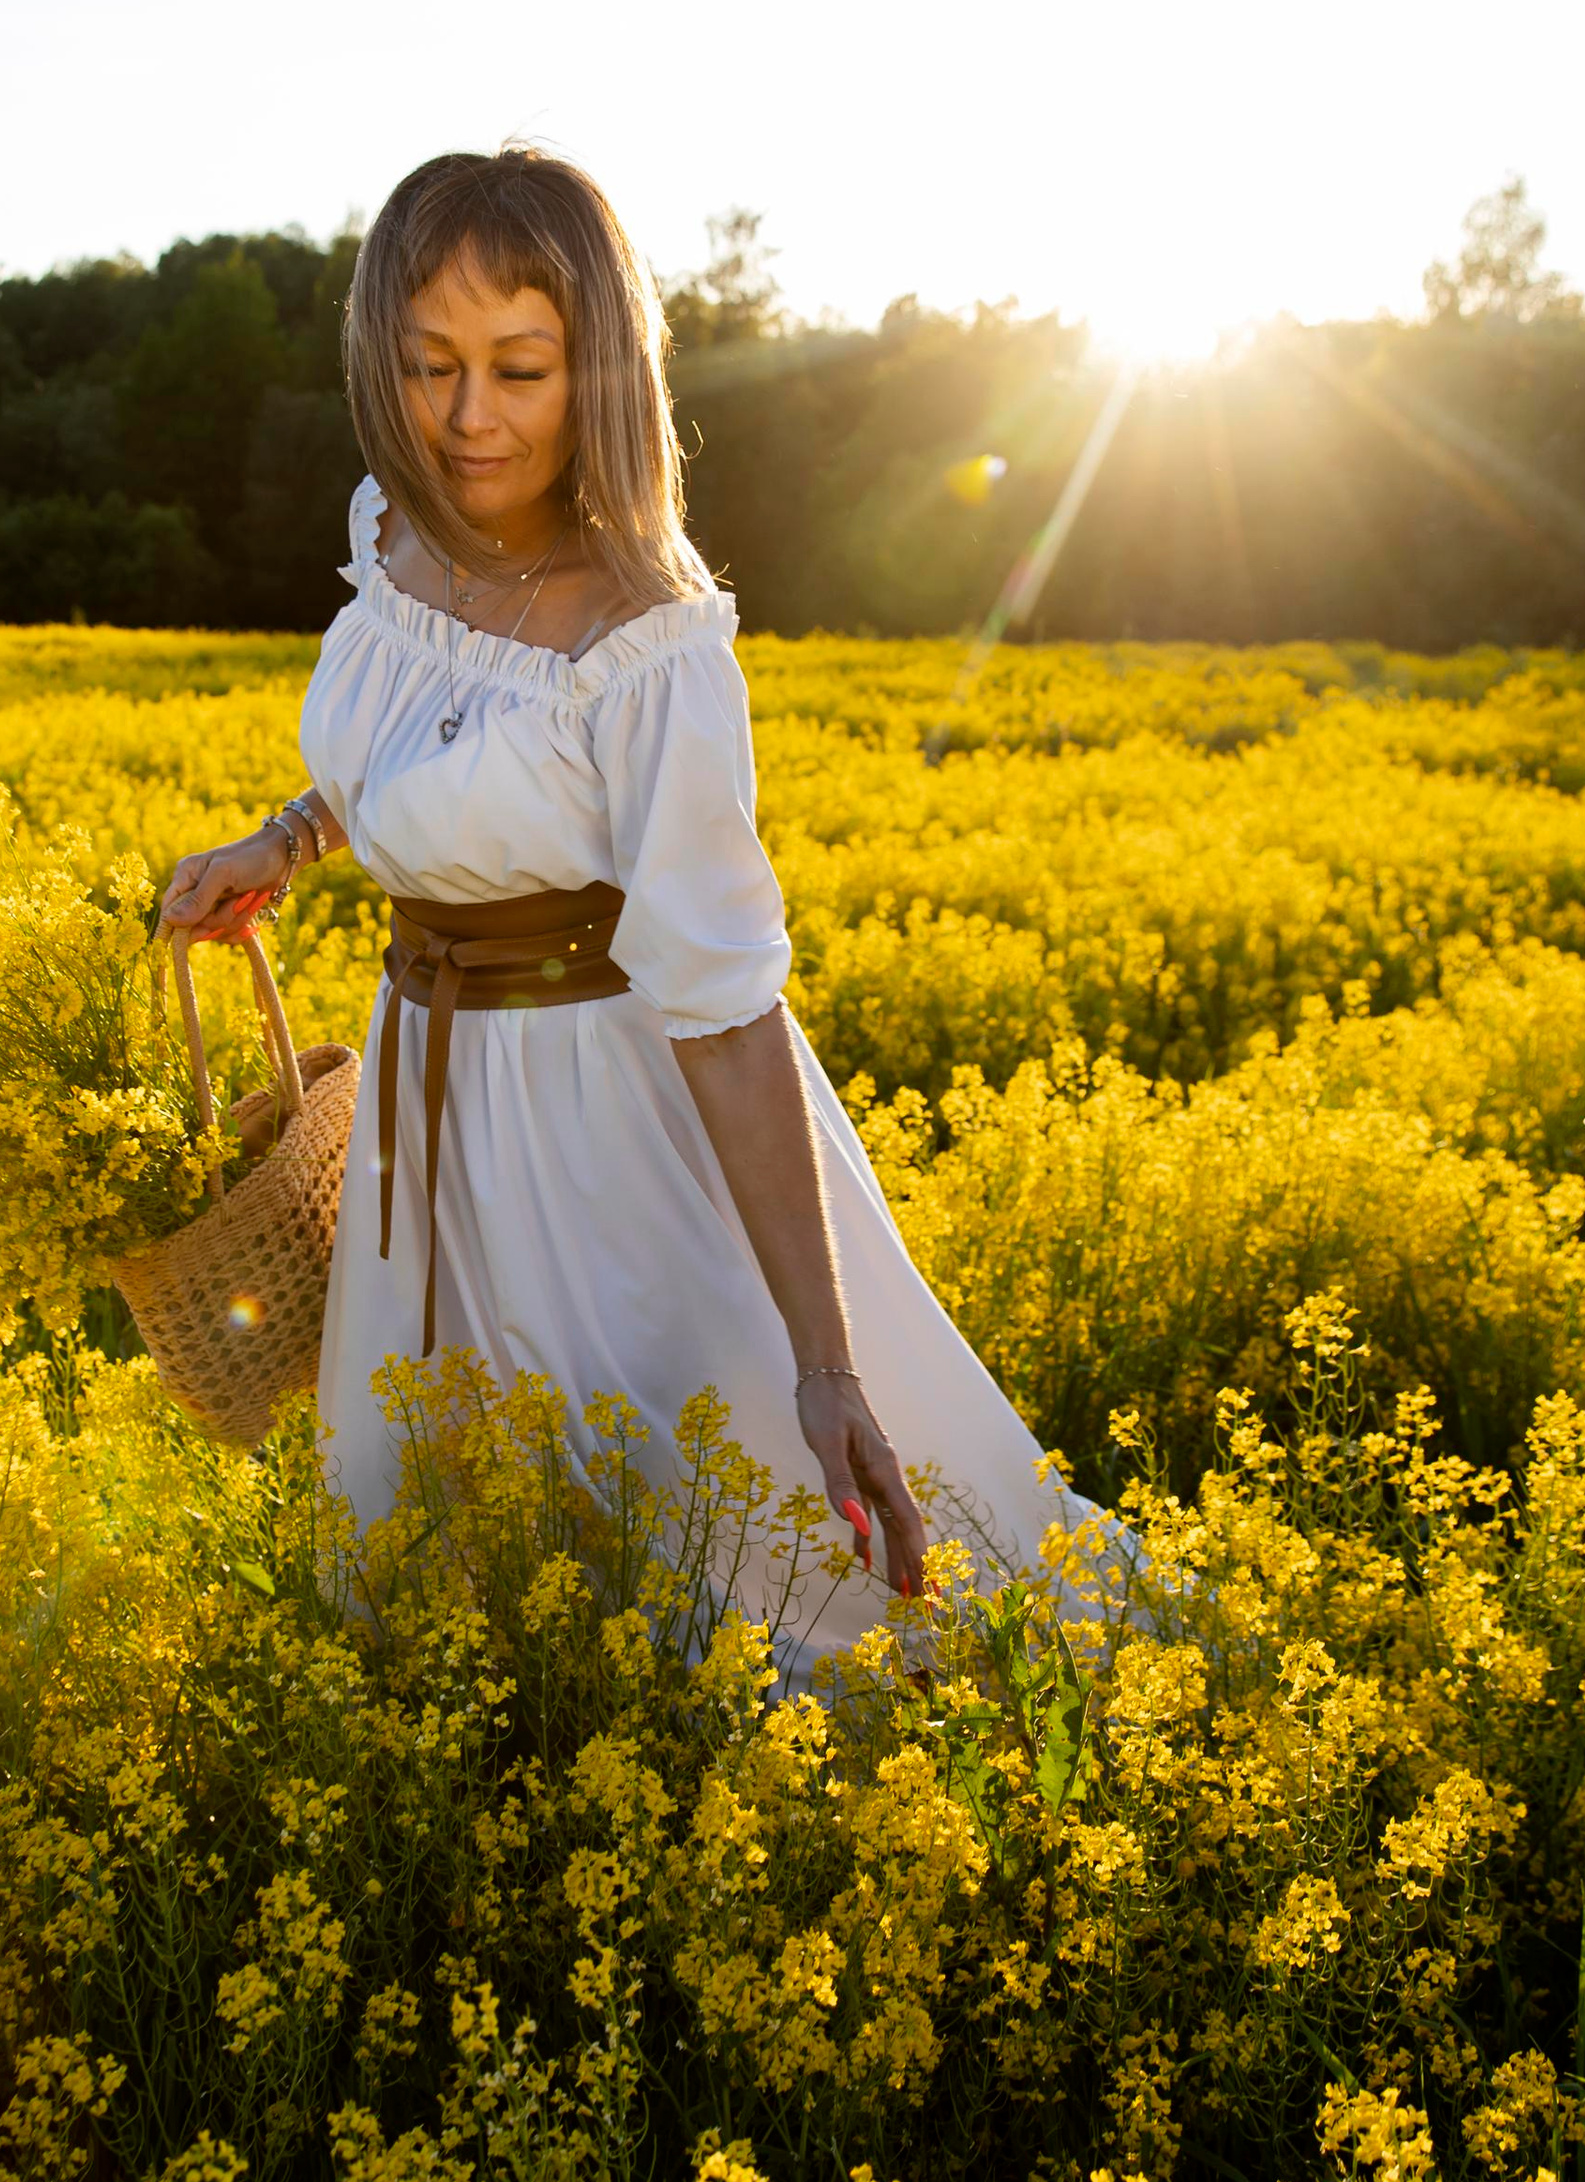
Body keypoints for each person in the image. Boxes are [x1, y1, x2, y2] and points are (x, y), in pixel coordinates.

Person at [157, 145, 1130, 1671]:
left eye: (519, 369)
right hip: (422, 1093)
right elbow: (426, 754)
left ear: (598, 369)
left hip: (592, 1130)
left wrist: (826, 1366)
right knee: (436, 1550)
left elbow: (728, 1013)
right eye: (428, 365)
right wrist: (286, 840)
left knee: (705, 1569)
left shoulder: (649, 644)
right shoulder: (392, 535)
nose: (467, 418)